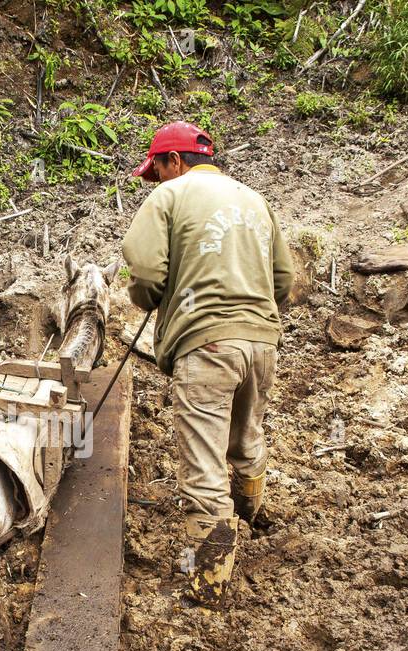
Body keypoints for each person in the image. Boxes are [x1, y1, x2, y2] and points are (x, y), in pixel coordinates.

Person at [121, 121, 294, 606]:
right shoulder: (255, 200)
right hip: (262, 341)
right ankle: (250, 512)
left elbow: (145, 270)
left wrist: (151, 297)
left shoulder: (169, 197)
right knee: (247, 437)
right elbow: (284, 279)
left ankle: (210, 584)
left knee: (202, 465)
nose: (156, 179)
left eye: (156, 169)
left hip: (206, 344)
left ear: (172, 161)